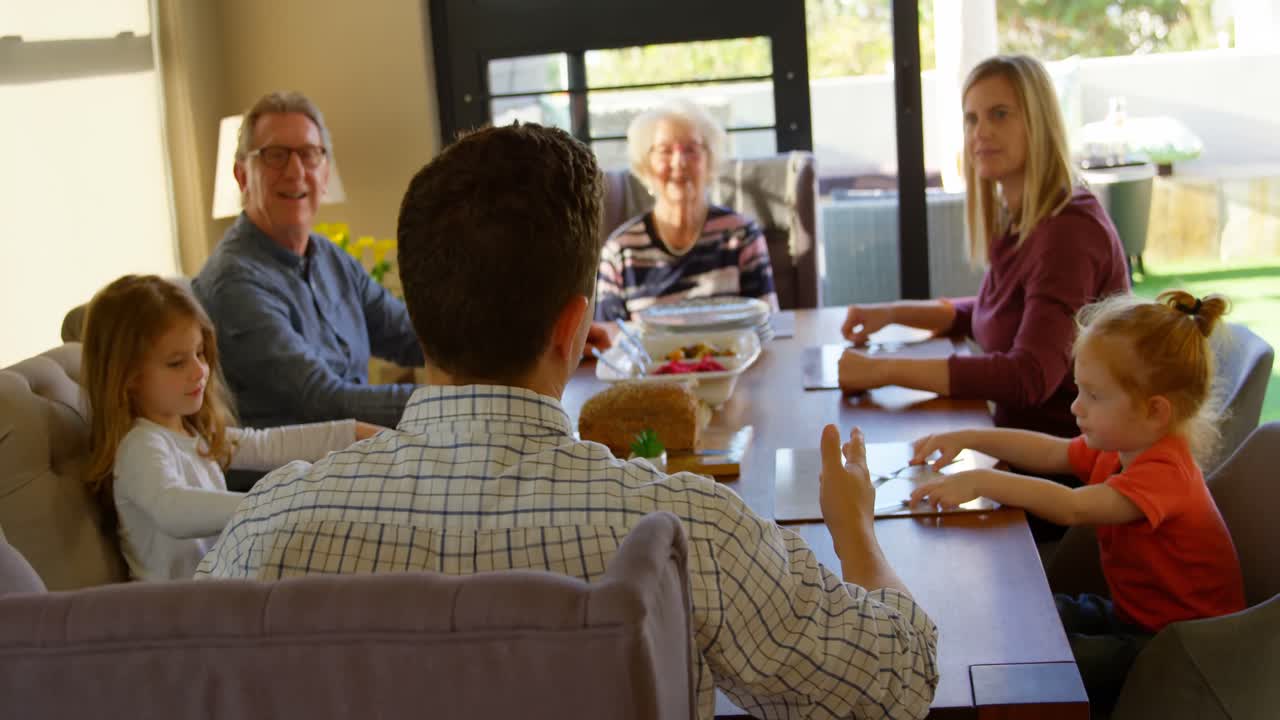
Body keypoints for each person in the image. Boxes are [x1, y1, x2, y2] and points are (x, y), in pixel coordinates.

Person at [197, 123, 938, 719]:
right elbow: (895, 682)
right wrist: (857, 533)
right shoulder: (684, 533)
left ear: (417, 323)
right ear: (576, 328)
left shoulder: (269, 529)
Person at [906, 290, 1246, 715]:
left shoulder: (1166, 475)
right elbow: (1052, 452)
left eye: (1094, 395)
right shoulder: (1124, 443)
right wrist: (968, 438)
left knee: (1035, 671)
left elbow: (1073, 507)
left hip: (1173, 648)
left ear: (1156, 411)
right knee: (1024, 614)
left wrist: (983, 480)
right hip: (1131, 616)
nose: (1075, 406)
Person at [838, 55, 1129, 441]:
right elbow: (999, 311)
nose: (980, 132)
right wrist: (890, 313)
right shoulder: (1021, 216)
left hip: (1065, 474)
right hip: (1019, 450)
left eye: (1000, 114)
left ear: (1038, 124)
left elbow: (1030, 376)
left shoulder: (1068, 230)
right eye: (971, 119)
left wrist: (883, 370)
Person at [80, 275, 381, 581]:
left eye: (199, 353)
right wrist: (274, 503)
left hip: (219, 590)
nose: (199, 370)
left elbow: (265, 445)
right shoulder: (140, 446)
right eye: (176, 362)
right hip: (177, 614)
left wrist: (354, 433)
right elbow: (173, 508)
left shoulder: (192, 434)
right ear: (128, 378)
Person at [193, 91, 425, 428]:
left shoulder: (331, 258)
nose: (295, 171)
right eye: (275, 155)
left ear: (325, 172)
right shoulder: (234, 281)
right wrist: (449, 403)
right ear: (242, 176)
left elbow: (408, 335)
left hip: (355, 454)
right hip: (292, 473)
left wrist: (501, 355)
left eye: (309, 154)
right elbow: (323, 401)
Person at [595, 100, 780, 321]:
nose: (679, 162)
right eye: (664, 151)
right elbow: (609, 344)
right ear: (646, 163)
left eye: (691, 149)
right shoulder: (619, 252)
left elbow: (769, 325)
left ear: (709, 160)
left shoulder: (741, 235)